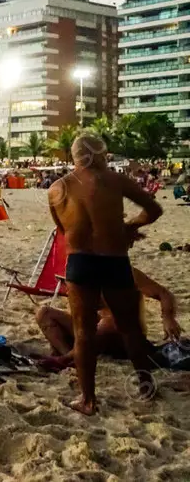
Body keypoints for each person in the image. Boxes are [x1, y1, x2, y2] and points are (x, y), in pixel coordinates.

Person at [48, 133, 163, 415]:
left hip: (80, 262)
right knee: (130, 327)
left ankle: (87, 400)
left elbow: (63, 231)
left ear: (74, 156)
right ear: (98, 154)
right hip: (114, 259)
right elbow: (154, 209)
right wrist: (130, 226)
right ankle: (146, 385)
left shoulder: (57, 189)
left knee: (83, 332)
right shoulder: (114, 180)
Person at [36, 267, 181, 369]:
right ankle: (68, 357)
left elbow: (163, 293)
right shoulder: (83, 272)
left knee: (109, 323)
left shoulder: (126, 272)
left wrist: (168, 318)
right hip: (93, 332)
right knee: (44, 313)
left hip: (123, 335)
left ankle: (67, 358)